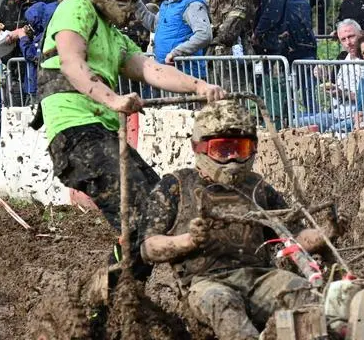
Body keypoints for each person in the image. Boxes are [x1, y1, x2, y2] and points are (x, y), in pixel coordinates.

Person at [36, 0, 224, 297]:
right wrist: (112, 99)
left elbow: (151, 69)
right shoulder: (77, 8)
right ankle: (107, 299)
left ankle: (122, 295)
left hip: (102, 132)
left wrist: (199, 86)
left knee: (160, 209)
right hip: (75, 131)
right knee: (142, 215)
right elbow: (71, 61)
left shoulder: (113, 35)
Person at [139, 100, 333, 340]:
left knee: (306, 296)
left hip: (260, 278)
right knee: (225, 306)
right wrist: (189, 241)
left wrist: (325, 233)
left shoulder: (258, 187)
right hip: (204, 283)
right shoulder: (176, 186)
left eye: (240, 149)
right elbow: (148, 248)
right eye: (222, 150)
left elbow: (293, 237)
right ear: (199, 147)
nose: (232, 158)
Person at [135, 0, 211, 79]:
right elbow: (154, 25)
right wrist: (134, 1)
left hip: (186, 75)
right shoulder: (171, 3)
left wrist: (175, 53)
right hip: (168, 74)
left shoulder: (192, 2)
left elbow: (204, 34)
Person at [205, 0, 254, 82]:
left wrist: (205, 34)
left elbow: (228, 33)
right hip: (213, 60)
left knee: (236, 95)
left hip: (235, 64)